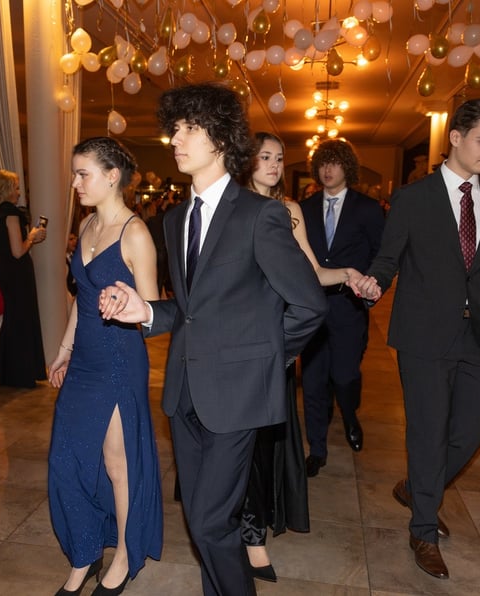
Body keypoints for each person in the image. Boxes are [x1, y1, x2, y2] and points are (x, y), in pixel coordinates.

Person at [98, 83, 328, 596]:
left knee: (207, 521)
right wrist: (146, 311)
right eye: (175, 128)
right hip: (185, 393)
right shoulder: (176, 219)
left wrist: (261, 362)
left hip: (238, 396)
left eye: (189, 128)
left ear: (221, 138)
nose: (175, 138)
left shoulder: (260, 215)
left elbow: (310, 305)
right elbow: (193, 311)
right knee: (210, 526)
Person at [355, 98, 480, 580]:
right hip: (423, 333)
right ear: (457, 137)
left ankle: (416, 488)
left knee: (474, 428)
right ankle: (423, 528)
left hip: (477, 332)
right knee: (428, 433)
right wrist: (375, 284)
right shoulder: (413, 198)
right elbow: (389, 258)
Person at [240, 132, 377, 582]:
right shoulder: (230, 206)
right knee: (233, 437)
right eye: (264, 156)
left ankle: (255, 528)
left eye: (279, 158)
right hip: (233, 337)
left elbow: (313, 273)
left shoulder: (291, 211)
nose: (274, 165)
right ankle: (233, 521)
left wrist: (350, 274)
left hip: (274, 338)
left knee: (263, 440)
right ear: (246, 160)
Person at [48, 137, 162, 596]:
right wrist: (65, 348)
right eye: (75, 173)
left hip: (119, 361)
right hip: (84, 360)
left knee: (117, 465)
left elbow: (152, 312)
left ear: (112, 176)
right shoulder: (88, 222)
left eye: (83, 174)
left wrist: (129, 302)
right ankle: (85, 552)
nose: (75, 183)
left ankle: (125, 555)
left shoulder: (136, 234)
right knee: (66, 458)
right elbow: (83, 297)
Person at [300, 139, 385, 475]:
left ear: (347, 167)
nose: (328, 169)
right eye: (323, 163)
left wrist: (369, 287)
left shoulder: (367, 209)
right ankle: (317, 449)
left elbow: (380, 254)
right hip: (312, 307)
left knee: (345, 375)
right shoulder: (304, 209)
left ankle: (349, 414)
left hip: (349, 306)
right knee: (313, 380)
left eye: (334, 163)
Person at [0, 169, 47, 388]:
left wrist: (30, 237)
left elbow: (3, 246)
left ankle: (8, 370)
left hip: (5, 269)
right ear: (7, 189)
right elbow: (18, 251)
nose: (18, 192)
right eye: (15, 187)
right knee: (21, 320)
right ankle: (21, 373)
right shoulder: (12, 214)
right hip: (17, 271)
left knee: (12, 319)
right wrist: (31, 237)